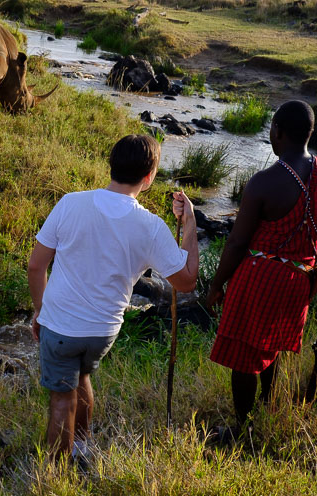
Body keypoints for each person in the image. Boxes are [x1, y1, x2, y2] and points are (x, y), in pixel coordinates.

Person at [28, 134, 200, 462]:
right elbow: (188, 281)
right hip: (103, 332)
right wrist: (189, 222)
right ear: (148, 178)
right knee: (82, 376)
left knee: (61, 400)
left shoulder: (70, 203)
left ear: (111, 165)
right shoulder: (151, 226)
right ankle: (81, 446)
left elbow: (36, 266)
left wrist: (40, 309)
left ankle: (54, 477)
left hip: (60, 326)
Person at [206, 100, 317, 438]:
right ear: (309, 133)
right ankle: (269, 406)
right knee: (271, 346)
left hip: (259, 278)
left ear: (276, 130)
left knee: (244, 357)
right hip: (299, 281)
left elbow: (236, 244)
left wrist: (216, 284)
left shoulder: (263, 182)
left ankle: (242, 428)